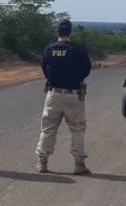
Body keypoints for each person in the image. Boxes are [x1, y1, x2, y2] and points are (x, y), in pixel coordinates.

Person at [35, 19, 92, 174]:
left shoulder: (49, 49)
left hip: (54, 93)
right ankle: (79, 164)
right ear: (70, 33)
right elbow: (86, 69)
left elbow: (44, 68)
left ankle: (42, 163)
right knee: (78, 129)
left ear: (57, 32)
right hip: (74, 94)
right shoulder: (78, 50)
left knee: (48, 129)